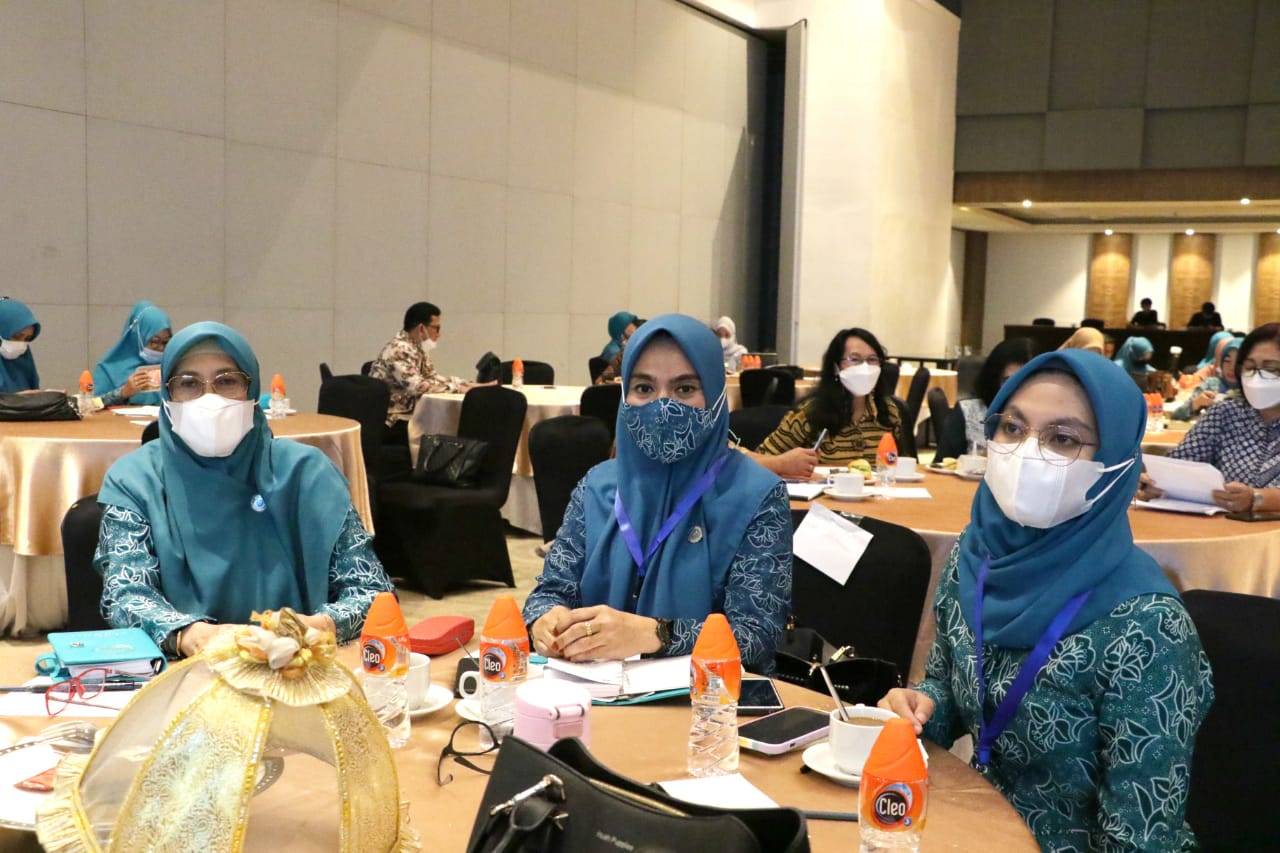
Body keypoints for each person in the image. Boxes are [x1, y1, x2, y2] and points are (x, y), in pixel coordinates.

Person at [880, 348, 1213, 851]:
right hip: (969, 823)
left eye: (1063, 439)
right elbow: (951, 686)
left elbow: (1139, 839)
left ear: (1116, 463)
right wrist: (923, 704)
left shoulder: (1147, 625)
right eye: (1012, 428)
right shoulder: (975, 558)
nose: (1027, 452)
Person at [95, 322, 394, 657]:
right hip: (182, 671)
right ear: (167, 396)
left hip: (298, 667)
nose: (209, 399)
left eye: (227, 381)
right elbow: (126, 595)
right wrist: (191, 635)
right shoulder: (135, 481)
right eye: (188, 383)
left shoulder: (307, 473)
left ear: (252, 391)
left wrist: (322, 625)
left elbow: (372, 592)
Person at [522, 313, 790, 673]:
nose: (663, 406)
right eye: (644, 389)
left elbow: (756, 636)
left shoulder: (757, 496)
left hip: (711, 698)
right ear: (625, 396)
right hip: (591, 694)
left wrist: (654, 635)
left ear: (715, 395)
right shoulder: (597, 487)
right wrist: (546, 620)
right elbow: (550, 592)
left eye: (684, 389)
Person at [1144, 323, 1280, 513]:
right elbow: (1180, 467)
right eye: (1249, 367)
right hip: (1223, 526)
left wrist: (1257, 499)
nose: (1257, 377)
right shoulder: (1225, 414)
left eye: (1270, 369)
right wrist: (1156, 484)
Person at [751, 328, 904, 478]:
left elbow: (898, 466)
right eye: (855, 359)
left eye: (872, 360)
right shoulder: (809, 413)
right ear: (836, 367)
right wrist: (786, 463)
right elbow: (760, 461)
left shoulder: (889, 412)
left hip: (876, 493)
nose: (865, 368)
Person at [370, 302, 479, 442]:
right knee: (449, 430)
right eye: (436, 328)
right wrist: (460, 389)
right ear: (421, 328)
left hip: (410, 413)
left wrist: (468, 384)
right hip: (393, 420)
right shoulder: (399, 349)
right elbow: (419, 387)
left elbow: (432, 377)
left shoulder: (417, 347)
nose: (439, 334)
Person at [936, 338, 1032, 460]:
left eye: (1027, 381)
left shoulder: (1049, 418)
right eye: (1009, 381)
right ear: (994, 380)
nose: (1018, 389)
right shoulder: (968, 412)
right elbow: (943, 465)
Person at [92, 300, 173, 406]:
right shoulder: (108, 370)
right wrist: (123, 393)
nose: (161, 348)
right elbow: (92, 405)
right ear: (137, 338)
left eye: (165, 342)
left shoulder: (172, 367)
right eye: (154, 342)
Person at [1169, 336, 1240, 421]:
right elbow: (1175, 416)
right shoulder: (1211, 384)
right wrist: (1196, 404)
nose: (1231, 368)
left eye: (1238, 362)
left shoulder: (1249, 389)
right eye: (1227, 361)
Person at [0, 298, 40, 394]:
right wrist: (13, 400)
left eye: (27, 338)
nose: (21, 343)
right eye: (16, 336)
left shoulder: (24, 360)